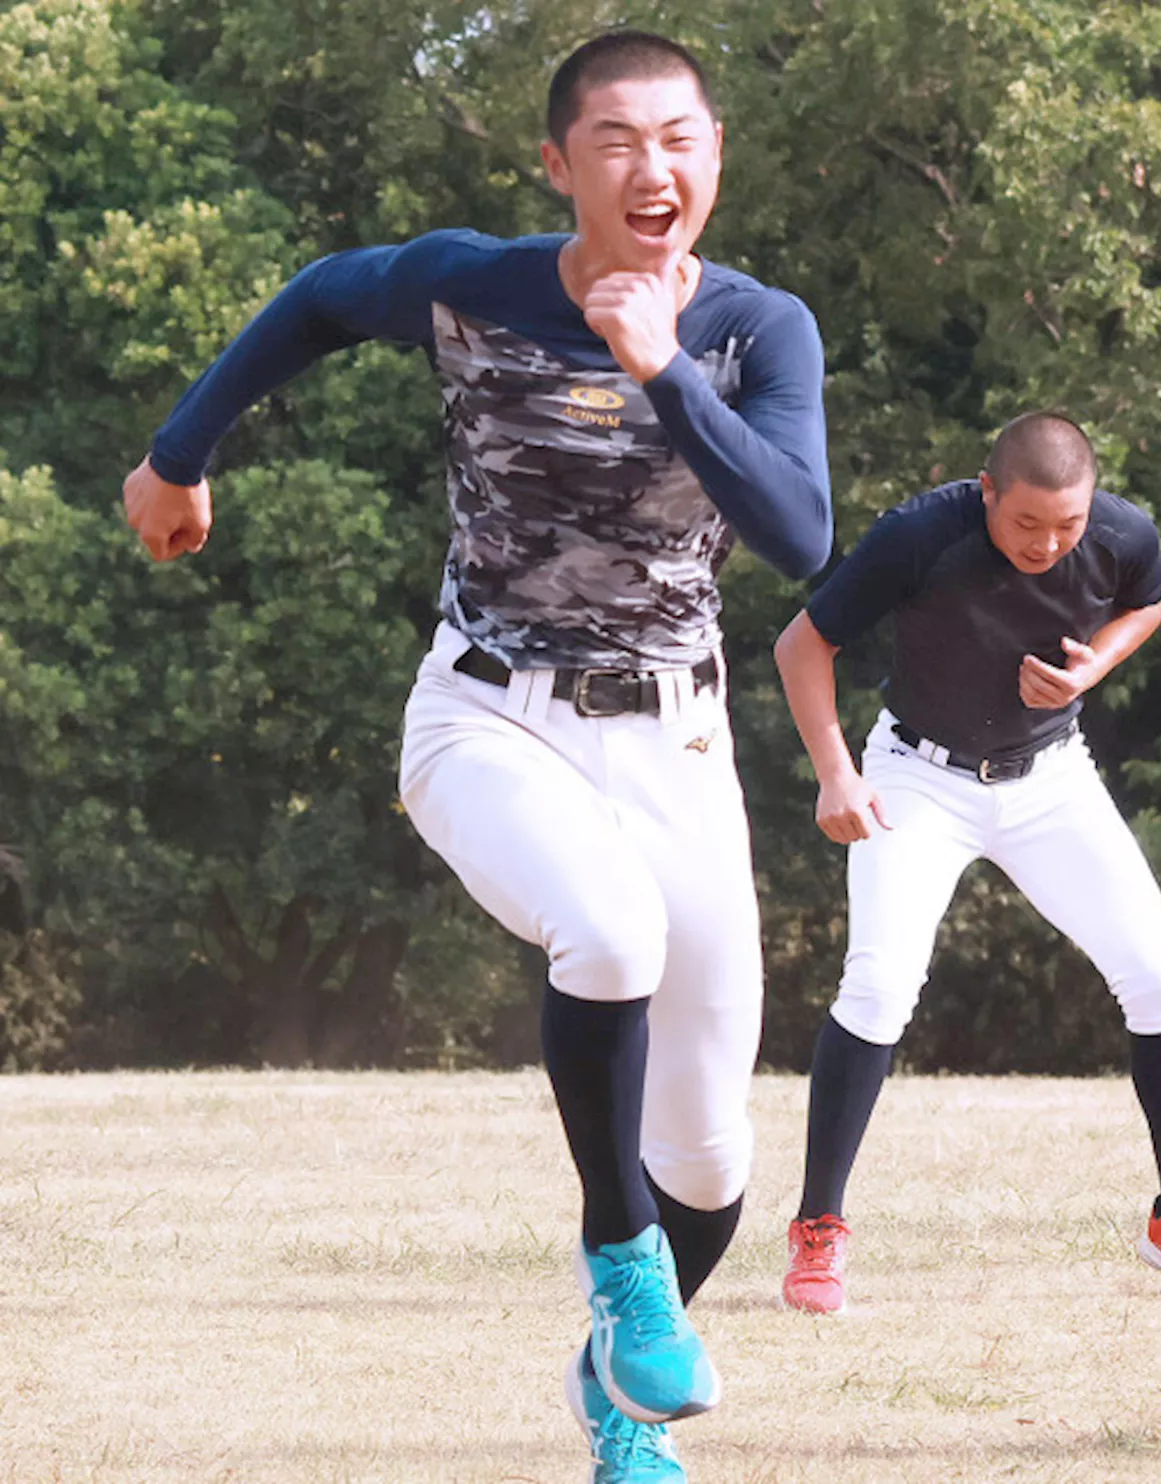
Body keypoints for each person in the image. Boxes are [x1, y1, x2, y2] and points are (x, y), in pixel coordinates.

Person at [122, 29, 831, 1482]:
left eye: (682, 138)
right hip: (490, 714)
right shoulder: (475, 282)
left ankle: (612, 1393)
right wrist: (178, 454)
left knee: (712, 1168)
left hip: (679, 741)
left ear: (715, 156)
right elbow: (322, 297)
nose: (656, 168)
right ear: (560, 163)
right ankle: (619, 1265)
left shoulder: (761, 330)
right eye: (619, 141)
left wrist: (668, 376)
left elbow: (803, 538)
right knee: (608, 932)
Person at [773, 411, 1161, 1317]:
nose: (1048, 543)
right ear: (988, 491)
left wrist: (1091, 671)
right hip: (918, 776)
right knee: (878, 987)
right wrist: (835, 774)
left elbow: (1148, 601)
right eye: (1026, 522)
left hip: (1050, 778)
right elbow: (803, 645)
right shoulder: (921, 532)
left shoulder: (1123, 532)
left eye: (1066, 527)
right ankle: (818, 1230)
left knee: (1159, 980)